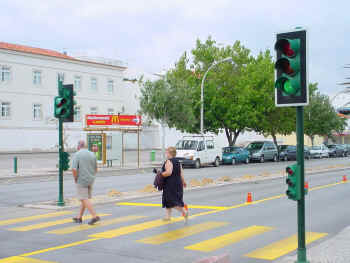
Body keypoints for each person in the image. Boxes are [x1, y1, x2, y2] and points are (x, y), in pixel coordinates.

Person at [71, 140, 100, 225]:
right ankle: (79, 217)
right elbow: (96, 169)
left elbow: (74, 169)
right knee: (85, 198)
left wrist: (75, 178)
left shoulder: (77, 154)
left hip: (81, 179)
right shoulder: (92, 154)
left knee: (83, 198)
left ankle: (94, 216)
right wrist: (91, 176)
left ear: (79, 146)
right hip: (91, 179)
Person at [161, 146, 188, 221]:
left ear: (169, 153)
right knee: (169, 200)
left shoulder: (169, 161)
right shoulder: (178, 162)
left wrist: (161, 174)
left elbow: (168, 172)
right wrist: (183, 182)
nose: (166, 154)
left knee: (170, 200)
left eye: (166, 152)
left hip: (170, 184)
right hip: (178, 183)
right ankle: (168, 216)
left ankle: (184, 211)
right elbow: (181, 173)